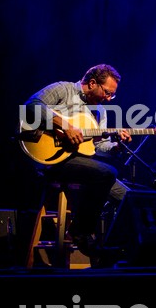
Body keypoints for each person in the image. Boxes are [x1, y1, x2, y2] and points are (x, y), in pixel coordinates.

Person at [22, 64, 131, 259]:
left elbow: (99, 146)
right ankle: (79, 232)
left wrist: (116, 147)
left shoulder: (99, 111)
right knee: (107, 173)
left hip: (80, 163)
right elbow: (31, 106)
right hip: (51, 160)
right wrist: (65, 125)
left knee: (128, 196)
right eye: (107, 93)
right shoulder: (64, 89)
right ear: (92, 83)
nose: (108, 98)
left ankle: (117, 253)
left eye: (112, 95)